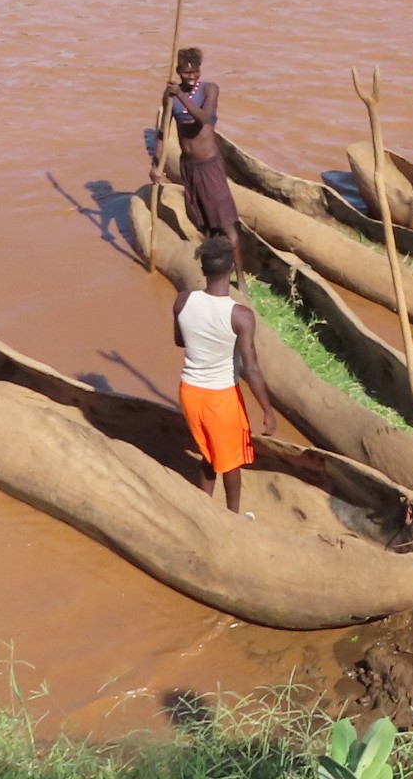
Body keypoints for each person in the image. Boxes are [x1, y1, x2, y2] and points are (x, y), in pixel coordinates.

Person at [174, 234, 278, 515]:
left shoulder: (183, 301)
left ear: (203, 270)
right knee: (231, 463)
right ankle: (232, 519)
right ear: (232, 269)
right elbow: (250, 367)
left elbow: (180, 341)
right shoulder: (240, 315)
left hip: (190, 392)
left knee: (209, 455)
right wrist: (267, 410)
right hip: (221, 397)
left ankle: (205, 510)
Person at [151, 47, 242, 277]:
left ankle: (240, 277)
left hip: (209, 165)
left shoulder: (209, 89)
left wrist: (180, 95)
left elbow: (203, 118)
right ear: (178, 71)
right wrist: (156, 163)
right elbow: (163, 131)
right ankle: (217, 270)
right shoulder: (170, 95)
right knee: (202, 221)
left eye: (195, 71)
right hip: (189, 166)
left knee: (226, 223)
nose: (191, 76)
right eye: (185, 72)